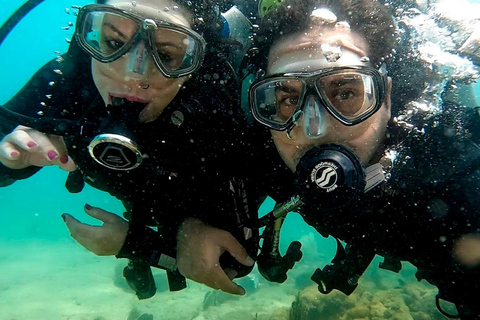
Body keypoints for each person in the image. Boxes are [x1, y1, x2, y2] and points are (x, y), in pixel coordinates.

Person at [0, 0, 261, 299]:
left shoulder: (213, 110)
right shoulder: (70, 80)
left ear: (194, 63)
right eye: (114, 42)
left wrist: (139, 243)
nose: (132, 75)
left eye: (165, 54)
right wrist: (10, 161)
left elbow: (234, 257)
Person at [245, 0, 480, 318]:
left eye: (345, 92)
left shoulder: (450, 178)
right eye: (287, 97)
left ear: (385, 97)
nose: (315, 130)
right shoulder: (263, 152)